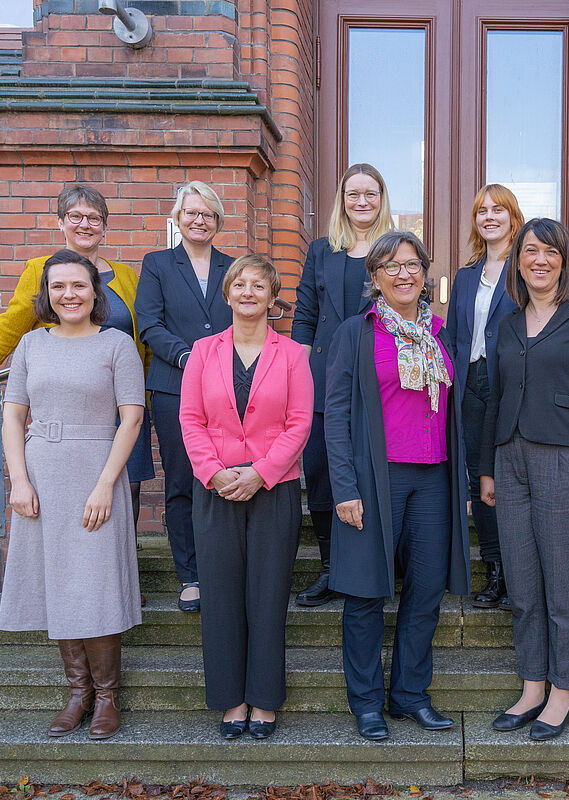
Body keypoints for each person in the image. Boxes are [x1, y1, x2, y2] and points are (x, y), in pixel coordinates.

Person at [0, 184, 153, 541]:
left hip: (120, 401)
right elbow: (10, 328)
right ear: (60, 223)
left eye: (94, 218)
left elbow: (140, 337)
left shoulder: (126, 276)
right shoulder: (41, 270)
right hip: (69, 403)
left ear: (105, 227)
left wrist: (144, 395)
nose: (85, 224)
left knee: (125, 489)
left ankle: (118, 581)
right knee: (65, 496)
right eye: (76, 217)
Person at [324, 230, 470, 741]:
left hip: (434, 478)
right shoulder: (355, 333)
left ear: (424, 272)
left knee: (425, 592)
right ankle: (366, 703)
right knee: (365, 593)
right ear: (375, 278)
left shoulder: (441, 331)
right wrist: (343, 487)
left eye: (412, 264)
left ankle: (410, 695)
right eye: (391, 266)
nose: (403, 274)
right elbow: (337, 415)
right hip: (374, 480)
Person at [0, 249, 145, 740]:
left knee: (95, 582)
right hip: (42, 474)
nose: (69, 295)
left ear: (94, 292)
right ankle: (77, 692)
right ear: (47, 294)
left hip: (96, 470)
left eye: (78, 285)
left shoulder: (117, 343)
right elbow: (14, 415)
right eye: (58, 287)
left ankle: (107, 696)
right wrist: (18, 480)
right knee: (57, 581)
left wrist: (105, 483)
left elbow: (133, 417)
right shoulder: (31, 345)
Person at [480, 218, 569, 742]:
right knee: (521, 579)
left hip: (566, 459)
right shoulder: (509, 323)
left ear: (565, 260)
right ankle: (532, 685)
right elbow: (492, 396)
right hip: (510, 460)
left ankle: (562, 691)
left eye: (550, 252)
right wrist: (487, 467)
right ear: (517, 261)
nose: (539, 260)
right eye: (529, 251)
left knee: (562, 581)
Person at [180, 254, 314, 741]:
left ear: (272, 296)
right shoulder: (202, 351)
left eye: (259, 285)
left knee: (267, 595)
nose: (248, 292)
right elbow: (190, 420)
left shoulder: (293, 353)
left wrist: (261, 473)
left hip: (272, 490)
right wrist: (214, 473)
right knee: (220, 596)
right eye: (240, 283)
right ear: (228, 292)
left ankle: (264, 700)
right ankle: (230, 700)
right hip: (215, 490)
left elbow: (299, 422)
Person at [292, 163, 395, 608]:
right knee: (319, 471)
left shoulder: (396, 250)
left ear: (382, 198)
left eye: (370, 194)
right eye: (353, 194)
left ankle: (381, 562)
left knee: (376, 472)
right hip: (323, 378)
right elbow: (305, 316)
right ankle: (332, 567)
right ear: (342, 199)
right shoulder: (320, 251)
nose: (362, 202)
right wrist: (297, 370)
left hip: (380, 381)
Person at [136, 181, 235, 613]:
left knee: (224, 475)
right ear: (178, 218)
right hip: (174, 386)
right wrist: (188, 356)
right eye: (191, 213)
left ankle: (222, 569)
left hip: (229, 388)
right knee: (182, 481)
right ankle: (190, 575)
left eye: (208, 214)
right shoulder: (157, 264)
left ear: (217, 222)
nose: (199, 220)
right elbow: (149, 324)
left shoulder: (233, 266)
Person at [449, 184, 524, 609]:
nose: (489, 217)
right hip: (470, 386)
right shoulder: (465, 276)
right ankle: (495, 570)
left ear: (513, 216)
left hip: (511, 385)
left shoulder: (527, 268)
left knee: (510, 479)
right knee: (482, 483)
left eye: (498, 209)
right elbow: (458, 337)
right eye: (482, 211)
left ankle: (520, 573)